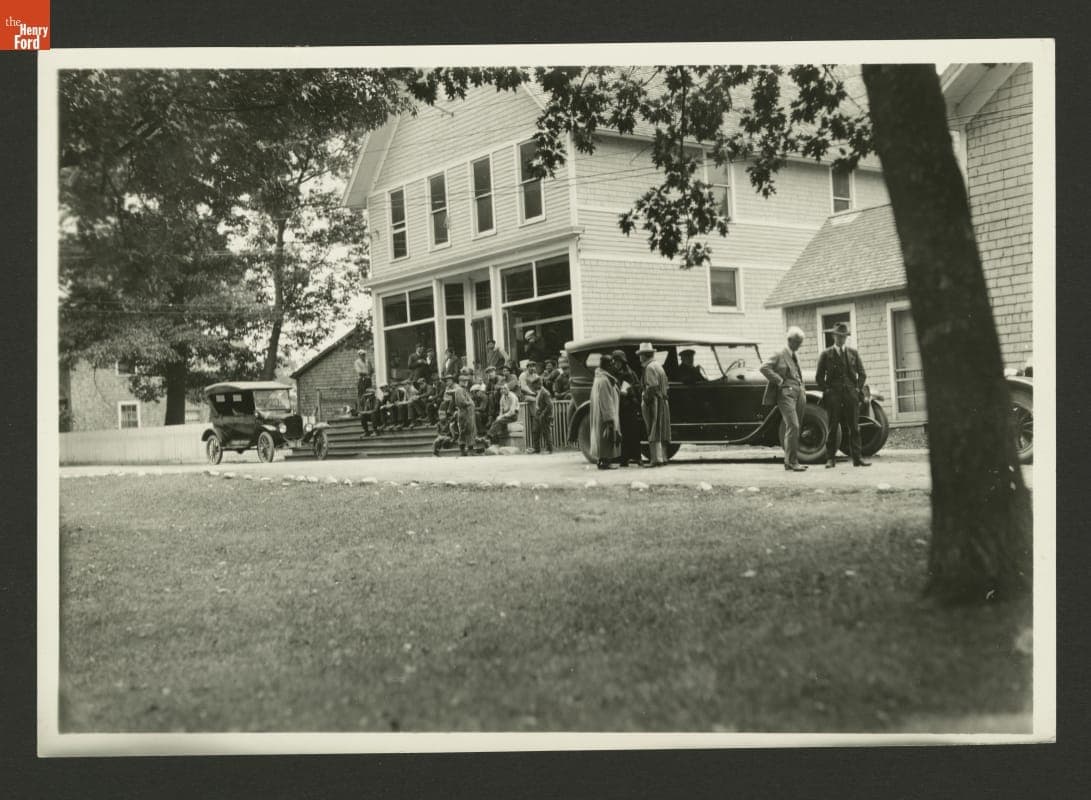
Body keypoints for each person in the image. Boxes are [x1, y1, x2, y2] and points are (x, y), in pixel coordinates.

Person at [816, 322, 871, 468]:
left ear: (846, 337)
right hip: (833, 396)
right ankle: (830, 459)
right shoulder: (826, 354)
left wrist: (857, 389)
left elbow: (863, 374)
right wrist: (827, 390)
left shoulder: (853, 353)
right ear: (833, 336)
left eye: (844, 336)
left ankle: (857, 458)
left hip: (851, 395)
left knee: (854, 427)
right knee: (833, 426)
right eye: (838, 336)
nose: (841, 339)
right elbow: (819, 377)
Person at [760, 326, 809, 472]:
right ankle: (792, 462)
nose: (800, 345)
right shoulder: (779, 354)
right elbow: (764, 368)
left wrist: (802, 388)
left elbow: (797, 373)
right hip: (786, 394)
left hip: (798, 393)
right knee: (793, 425)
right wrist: (780, 381)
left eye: (801, 342)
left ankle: (791, 461)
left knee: (796, 427)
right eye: (798, 342)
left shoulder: (795, 354)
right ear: (789, 340)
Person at [638, 342, 672, 467]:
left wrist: (646, 399)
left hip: (655, 402)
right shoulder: (658, 366)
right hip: (663, 400)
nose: (639, 357)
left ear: (645, 355)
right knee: (662, 429)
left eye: (641, 354)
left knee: (654, 429)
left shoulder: (649, 368)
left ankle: (656, 459)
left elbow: (652, 386)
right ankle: (663, 457)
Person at [611, 349, 644, 468]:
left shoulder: (630, 373)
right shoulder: (613, 374)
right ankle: (624, 459)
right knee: (623, 434)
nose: (616, 364)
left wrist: (629, 391)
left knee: (633, 433)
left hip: (629, 406)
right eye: (615, 362)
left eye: (618, 362)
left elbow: (637, 387)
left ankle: (637, 457)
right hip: (620, 407)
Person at [589, 354, 622, 470]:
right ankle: (605, 461)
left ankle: (604, 460)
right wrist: (610, 420)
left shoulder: (600, 378)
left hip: (601, 414)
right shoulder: (604, 380)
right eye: (612, 364)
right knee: (606, 437)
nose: (614, 366)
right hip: (604, 415)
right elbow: (606, 401)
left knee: (603, 437)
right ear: (607, 365)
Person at [451, 371, 478, 456]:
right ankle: (467, 449)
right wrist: (469, 403)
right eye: (463, 381)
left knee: (468, 430)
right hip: (464, 412)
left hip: (468, 413)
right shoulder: (459, 390)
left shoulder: (464, 390)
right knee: (466, 430)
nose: (465, 382)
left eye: (466, 381)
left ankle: (466, 449)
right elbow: (461, 402)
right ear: (459, 382)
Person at [527, 374, 554, 454]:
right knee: (535, 431)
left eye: (534, 384)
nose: (533, 386)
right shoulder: (539, 392)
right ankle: (537, 449)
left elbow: (550, 405)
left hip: (544, 415)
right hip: (538, 413)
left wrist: (543, 414)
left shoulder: (545, 393)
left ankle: (550, 449)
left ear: (538, 384)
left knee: (546, 432)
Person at [487, 380, 521, 444]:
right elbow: (501, 409)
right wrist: (500, 416)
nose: (503, 390)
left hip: (513, 416)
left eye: (505, 388)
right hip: (506, 416)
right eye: (502, 389)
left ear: (508, 389)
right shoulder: (502, 397)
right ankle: (492, 439)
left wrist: (501, 416)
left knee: (499, 421)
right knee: (496, 421)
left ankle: (489, 435)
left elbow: (512, 411)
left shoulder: (512, 397)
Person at [353, 348, 373, 416]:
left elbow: (371, 370)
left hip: (368, 379)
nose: (363, 356)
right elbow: (359, 372)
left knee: (369, 393)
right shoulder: (357, 362)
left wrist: (369, 374)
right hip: (362, 380)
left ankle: (368, 409)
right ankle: (360, 410)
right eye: (361, 355)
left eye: (364, 354)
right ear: (359, 355)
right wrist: (367, 373)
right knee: (361, 395)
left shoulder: (367, 361)